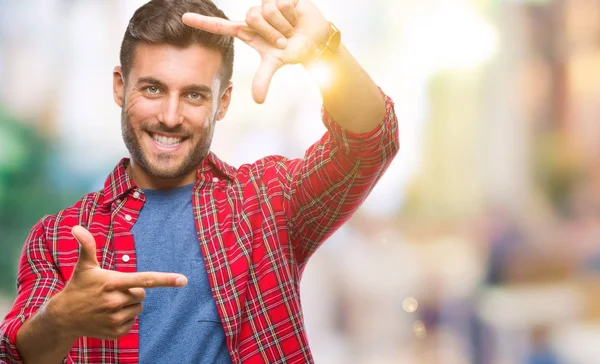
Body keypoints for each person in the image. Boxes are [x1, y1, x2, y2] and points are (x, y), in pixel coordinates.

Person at [0, 0, 398, 362]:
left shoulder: (267, 202)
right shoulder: (56, 239)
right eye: (153, 89)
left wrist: (323, 50)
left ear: (222, 102)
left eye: (193, 95)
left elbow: (370, 143)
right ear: (120, 86)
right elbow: (17, 355)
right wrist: (60, 319)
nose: (170, 116)